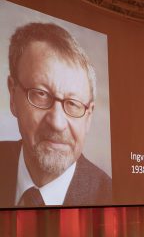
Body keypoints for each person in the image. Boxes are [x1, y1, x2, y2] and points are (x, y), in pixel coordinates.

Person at [0, 22, 111, 207]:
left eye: (73, 104)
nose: (57, 122)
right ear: (12, 95)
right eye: (41, 94)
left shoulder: (108, 196)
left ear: (88, 117)